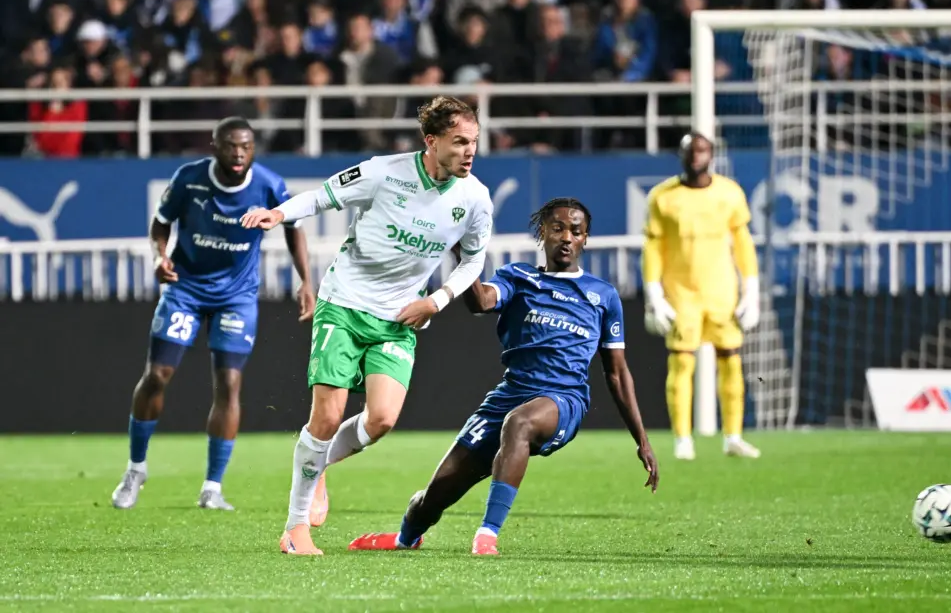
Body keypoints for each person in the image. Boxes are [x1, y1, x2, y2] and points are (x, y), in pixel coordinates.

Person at [241, 96, 494, 556]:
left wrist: (435, 301)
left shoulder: (474, 198)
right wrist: (279, 214)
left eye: (474, 142)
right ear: (431, 141)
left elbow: (473, 260)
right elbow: (322, 197)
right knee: (328, 416)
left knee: (381, 420)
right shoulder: (384, 171)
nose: (470, 151)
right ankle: (295, 530)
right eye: (459, 142)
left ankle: (319, 469)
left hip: (399, 317)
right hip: (344, 303)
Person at [348, 198, 659, 556]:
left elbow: (617, 373)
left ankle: (487, 534)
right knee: (433, 496)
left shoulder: (602, 296)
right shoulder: (519, 277)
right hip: (509, 396)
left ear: (585, 238)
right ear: (542, 232)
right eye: (557, 228)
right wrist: (462, 254)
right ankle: (405, 538)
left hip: (563, 400)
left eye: (575, 231)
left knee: (521, 423)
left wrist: (642, 439)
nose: (566, 237)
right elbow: (480, 302)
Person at [111, 116, 315, 511]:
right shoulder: (189, 179)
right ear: (215, 146)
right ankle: (136, 469)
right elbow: (161, 223)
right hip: (185, 290)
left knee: (229, 384)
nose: (238, 153)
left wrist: (306, 280)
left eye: (246, 146)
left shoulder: (269, 184)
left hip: (236, 297)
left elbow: (294, 226)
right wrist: (159, 257)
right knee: (157, 376)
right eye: (230, 146)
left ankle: (212, 487)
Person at [642, 132, 761, 461]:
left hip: (722, 291)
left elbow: (743, 243)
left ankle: (733, 435)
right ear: (681, 155)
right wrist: (654, 292)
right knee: (681, 363)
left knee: (731, 361)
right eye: (691, 151)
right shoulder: (662, 197)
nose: (697, 157)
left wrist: (752, 290)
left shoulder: (729, 193)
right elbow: (653, 247)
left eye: (703, 151)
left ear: (712, 154)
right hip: (682, 294)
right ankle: (683, 438)